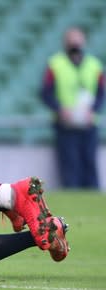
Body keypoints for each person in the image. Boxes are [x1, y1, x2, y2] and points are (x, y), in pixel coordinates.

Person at [40, 26, 104, 189]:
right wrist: (60, 109)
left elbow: (101, 92)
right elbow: (45, 92)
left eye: (78, 37)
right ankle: (71, 192)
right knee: (69, 163)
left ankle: (92, 195)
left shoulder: (94, 65)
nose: (74, 42)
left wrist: (93, 110)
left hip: (88, 123)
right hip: (65, 124)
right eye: (71, 38)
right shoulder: (55, 64)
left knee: (89, 161)